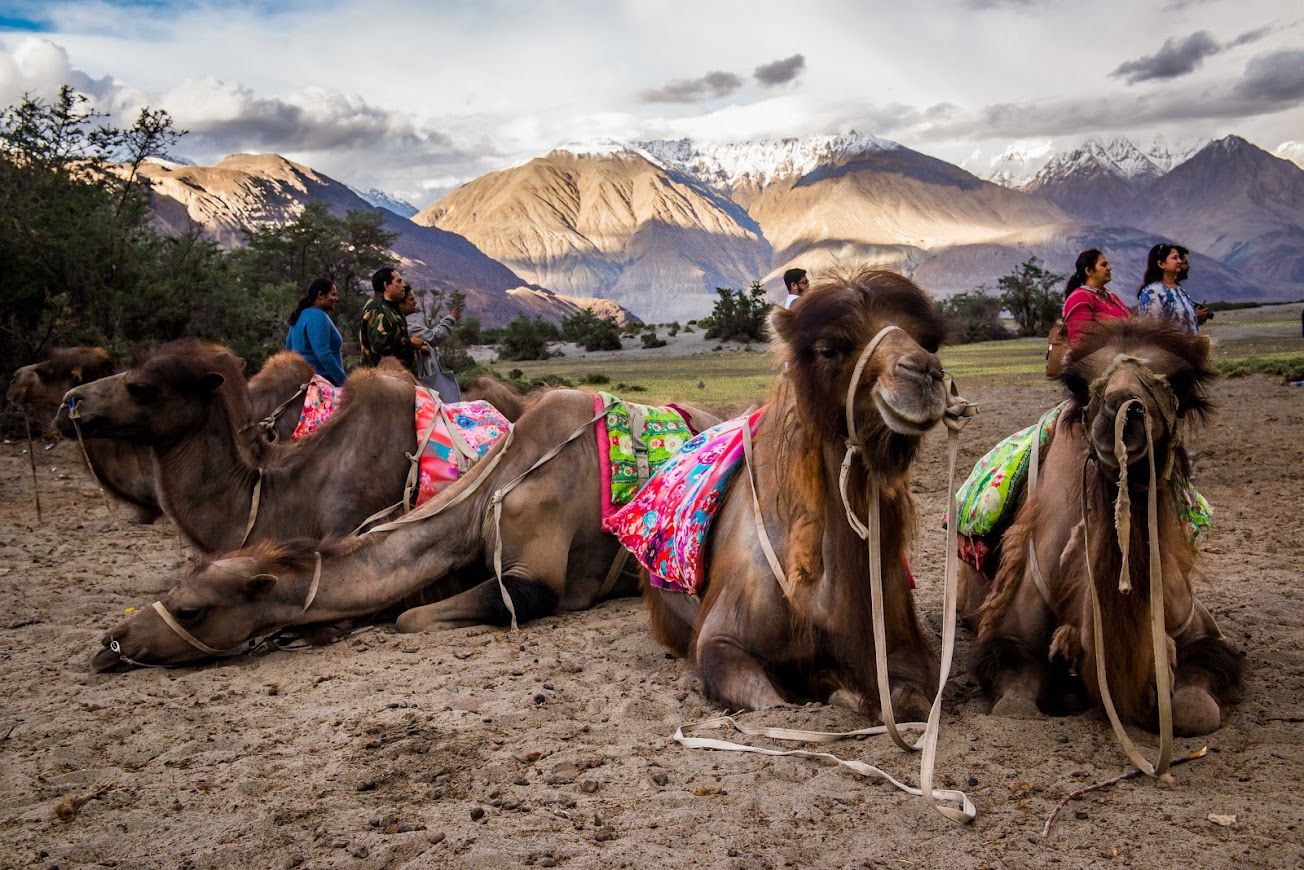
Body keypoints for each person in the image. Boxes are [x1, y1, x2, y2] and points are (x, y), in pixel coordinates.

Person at [401, 288, 464, 401]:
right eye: (411, 299)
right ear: (400, 304)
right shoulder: (407, 325)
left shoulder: (401, 323)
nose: (415, 302)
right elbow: (434, 337)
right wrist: (451, 318)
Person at [359, 267, 424, 371]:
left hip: (396, 377)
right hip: (383, 379)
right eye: (399, 281)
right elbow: (380, 346)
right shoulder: (377, 308)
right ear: (386, 286)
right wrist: (409, 343)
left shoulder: (391, 307)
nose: (404, 285)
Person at [285, 278, 347, 386]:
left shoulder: (299, 315)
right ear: (320, 295)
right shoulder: (317, 315)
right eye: (333, 294)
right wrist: (344, 382)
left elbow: (289, 348)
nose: (336, 298)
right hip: (322, 385)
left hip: (302, 383)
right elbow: (323, 353)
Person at [1061, 249, 1131, 344]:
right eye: (1103, 265)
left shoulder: (1112, 297)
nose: (1109, 268)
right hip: (1096, 357)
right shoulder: (1080, 297)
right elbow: (1080, 341)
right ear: (1089, 271)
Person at [1137, 243, 1208, 334]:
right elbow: (1151, 329)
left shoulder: (1178, 289)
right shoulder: (1153, 292)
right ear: (1161, 264)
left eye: (1179, 258)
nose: (1179, 261)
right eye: (1175, 258)